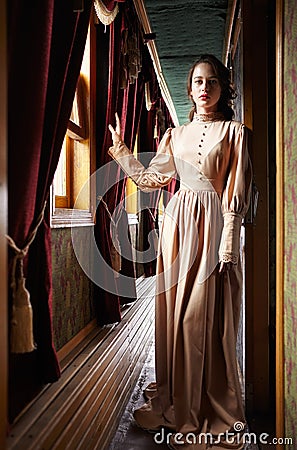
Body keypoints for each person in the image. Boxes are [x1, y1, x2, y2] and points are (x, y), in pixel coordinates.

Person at [108, 54, 252, 449]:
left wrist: (229, 240)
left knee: (199, 317)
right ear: (189, 89)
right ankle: (177, 399)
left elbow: (236, 190)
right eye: (198, 82)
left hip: (213, 226)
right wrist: (122, 152)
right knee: (175, 314)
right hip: (177, 227)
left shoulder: (235, 133)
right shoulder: (175, 134)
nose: (204, 88)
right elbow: (154, 179)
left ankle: (204, 404)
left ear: (223, 89)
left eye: (212, 82)